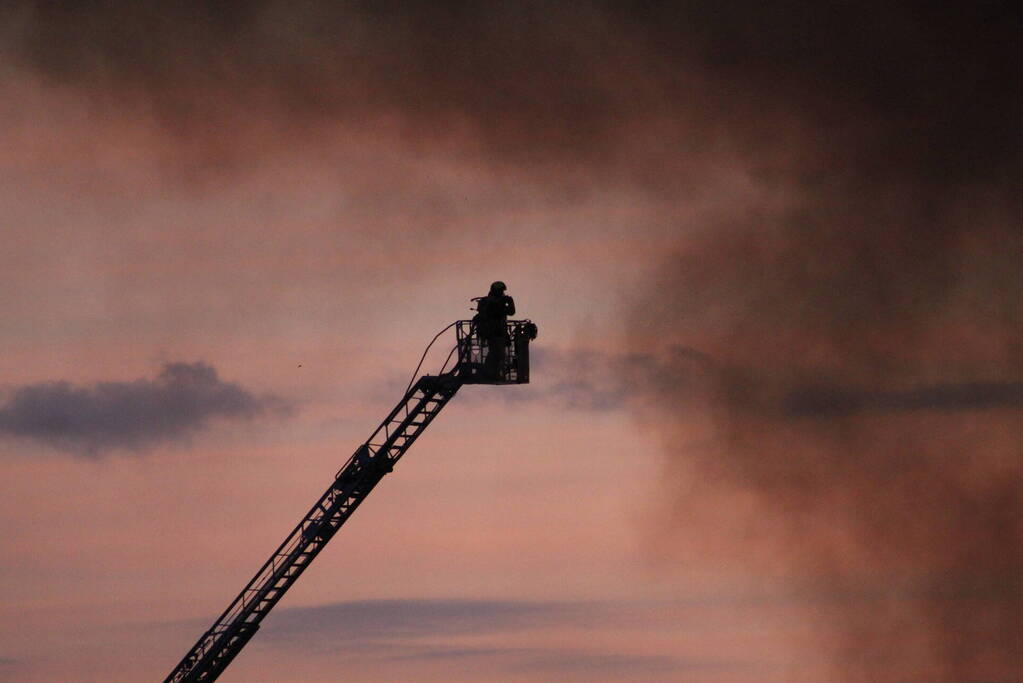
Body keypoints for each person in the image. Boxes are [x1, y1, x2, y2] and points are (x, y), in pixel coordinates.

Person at [475, 281, 515, 379]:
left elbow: (510, 312)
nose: (502, 293)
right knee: (497, 353)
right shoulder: (489, 302)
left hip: (494, 332)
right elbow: (510, 311)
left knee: (496, 353)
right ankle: (491, 373)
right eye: (501, 291)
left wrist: (509, 302)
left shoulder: (486, 301)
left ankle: (493, 372)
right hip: (494, 332)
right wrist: (509, 303)